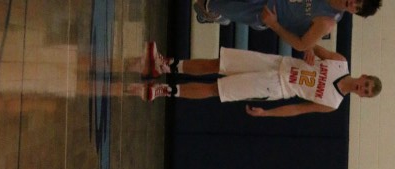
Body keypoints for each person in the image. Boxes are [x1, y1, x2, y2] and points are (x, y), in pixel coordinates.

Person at [129, 43, 381, 110]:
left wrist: (268, 113)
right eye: (366, 84)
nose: (363, 88)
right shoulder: (340, 62)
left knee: (218, 89)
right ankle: (167, 66)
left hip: (276, 86)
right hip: (277, 63)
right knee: (220, 63)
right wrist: (308, 50)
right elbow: (312, 44)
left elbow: (297, 110)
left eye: (366, 92)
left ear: (362, 97)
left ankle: (164, 91)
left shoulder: (333, 103)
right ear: (364, 75)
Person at [192, 0, 382, 54]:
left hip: (264, 12)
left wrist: (274, 24)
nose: (353, 3)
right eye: (357, 0)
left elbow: (301, 45)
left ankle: (214, 14)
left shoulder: (327, 21)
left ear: (354, 12)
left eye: (357, 8)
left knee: (205, 4)